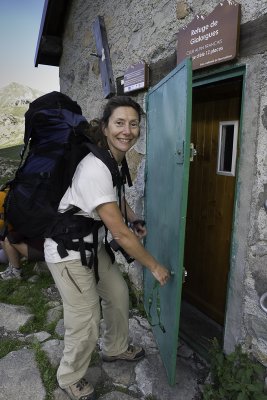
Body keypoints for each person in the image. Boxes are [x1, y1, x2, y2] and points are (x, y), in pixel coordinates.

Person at [44, 96, 170, 400]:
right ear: (105, 126)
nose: (127, 130)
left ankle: (115, 349)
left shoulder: (112, 158)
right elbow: (122, 236)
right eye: (119, 123)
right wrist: (154, 266)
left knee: (117, 294)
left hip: (90, 245)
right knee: (86, 317)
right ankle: (69, 376)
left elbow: (114, 196)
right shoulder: (94, 168)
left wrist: (133, 217)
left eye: (133, 123)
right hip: (68, 253)